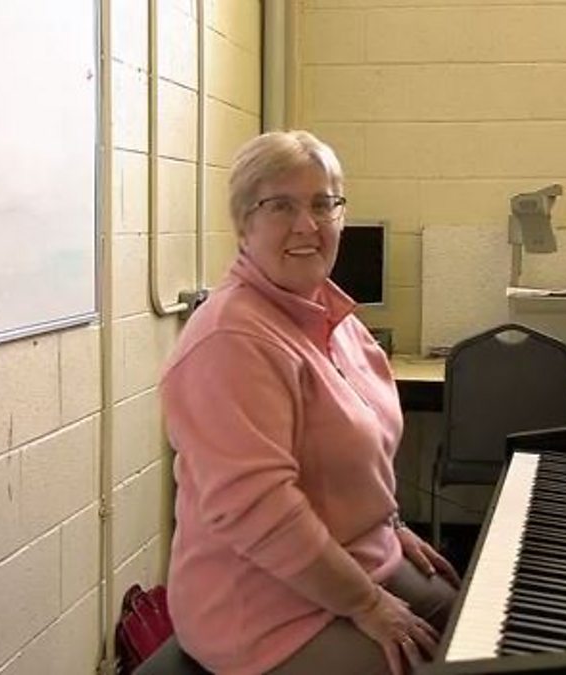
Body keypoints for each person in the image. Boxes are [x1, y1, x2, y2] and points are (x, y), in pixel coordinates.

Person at [160, 130, 461, 675]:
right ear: (244, 224)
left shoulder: (329, 316)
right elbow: (259, 510)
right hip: (261, 606)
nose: (308, 225)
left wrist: (389, 523)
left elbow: (355, 451)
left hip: (358, 559)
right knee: (428, 664)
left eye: (324, 204)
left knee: (473, 623)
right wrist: (368, 605)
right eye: (281, 206)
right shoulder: (230, 339)